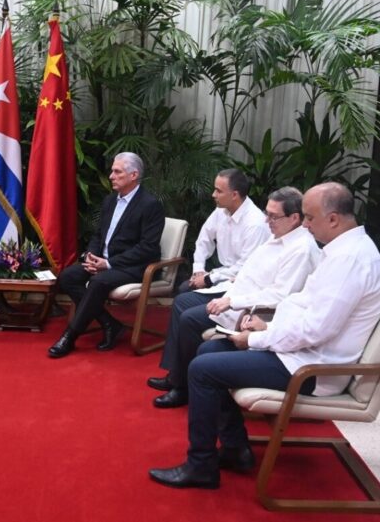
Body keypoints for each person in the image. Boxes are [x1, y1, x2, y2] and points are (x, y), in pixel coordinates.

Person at [148, 182, 380, 489]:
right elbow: (299, 304)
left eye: (310, 217)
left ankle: (201, 466)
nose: (305, 224)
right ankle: (235, 449)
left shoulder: (350, 259)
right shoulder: (341, 251)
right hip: (300, 353)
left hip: (313, 368)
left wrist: (255, 339)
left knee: (202, 370)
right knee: (208, 353)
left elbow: (316, 329)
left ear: (333, 219)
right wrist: (266, 328)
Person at [149, 186, 320, 409]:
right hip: (234, 292)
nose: (267, 220)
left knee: (190, 319)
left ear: (294, 218)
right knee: (184, 304)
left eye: (273, 216)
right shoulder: (278, 235)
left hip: (252, 309)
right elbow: (245, 265)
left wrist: (231, 300)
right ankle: (179, 379)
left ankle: (182, 387)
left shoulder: (301, 249)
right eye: (267, 213)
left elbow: (280, 294)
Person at [49, 152, 165, 358]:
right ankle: (109, 323)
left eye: (117, 171)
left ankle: (70, 336)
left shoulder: (150, 205)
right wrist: (91, 256)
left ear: (133, 175)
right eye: (112, 170)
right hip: (103, 261)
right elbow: (99, 235)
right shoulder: (110, 201)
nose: (111, 176)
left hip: (133, 267)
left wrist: (108, 263)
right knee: (68, 277)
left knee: (99, 282)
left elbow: (148, 248)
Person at [177, 169, 268, 295]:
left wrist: (208, 279)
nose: (213, 194)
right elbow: (204, 239)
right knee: (184, 288)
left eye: (219, 191)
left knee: (186, 300)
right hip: (221, 274)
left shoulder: (255, 224)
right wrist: (199, 269)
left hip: (241, 283)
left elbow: (245, 267)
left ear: (234, 195)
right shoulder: (221, 210)